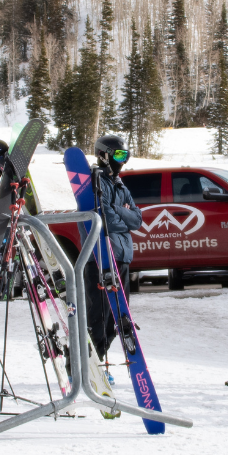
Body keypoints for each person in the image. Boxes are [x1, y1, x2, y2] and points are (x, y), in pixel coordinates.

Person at [85, 134, 144, 361]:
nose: (123, 161)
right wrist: (122, 212)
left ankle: (99, 357)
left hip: (122, 256)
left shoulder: (119, 185)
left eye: (126, 155)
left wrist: (119, 211)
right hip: (101, 257)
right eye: (119, 155)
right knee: (99, 316)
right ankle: (88, 363)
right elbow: (104, 218)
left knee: (120, 316)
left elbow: (137, 220)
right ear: (104, 155)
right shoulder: (96, 182)